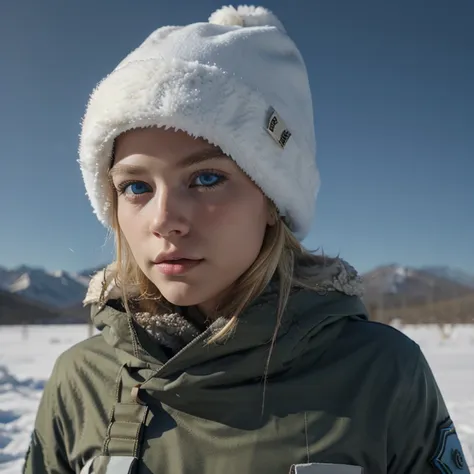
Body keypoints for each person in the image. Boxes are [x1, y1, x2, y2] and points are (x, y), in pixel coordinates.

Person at [23, 5, 470, 474]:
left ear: (273, 200)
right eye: (136, 187)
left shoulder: (380, 373)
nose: (165, 220)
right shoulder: (81, 382)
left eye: (207, 178)